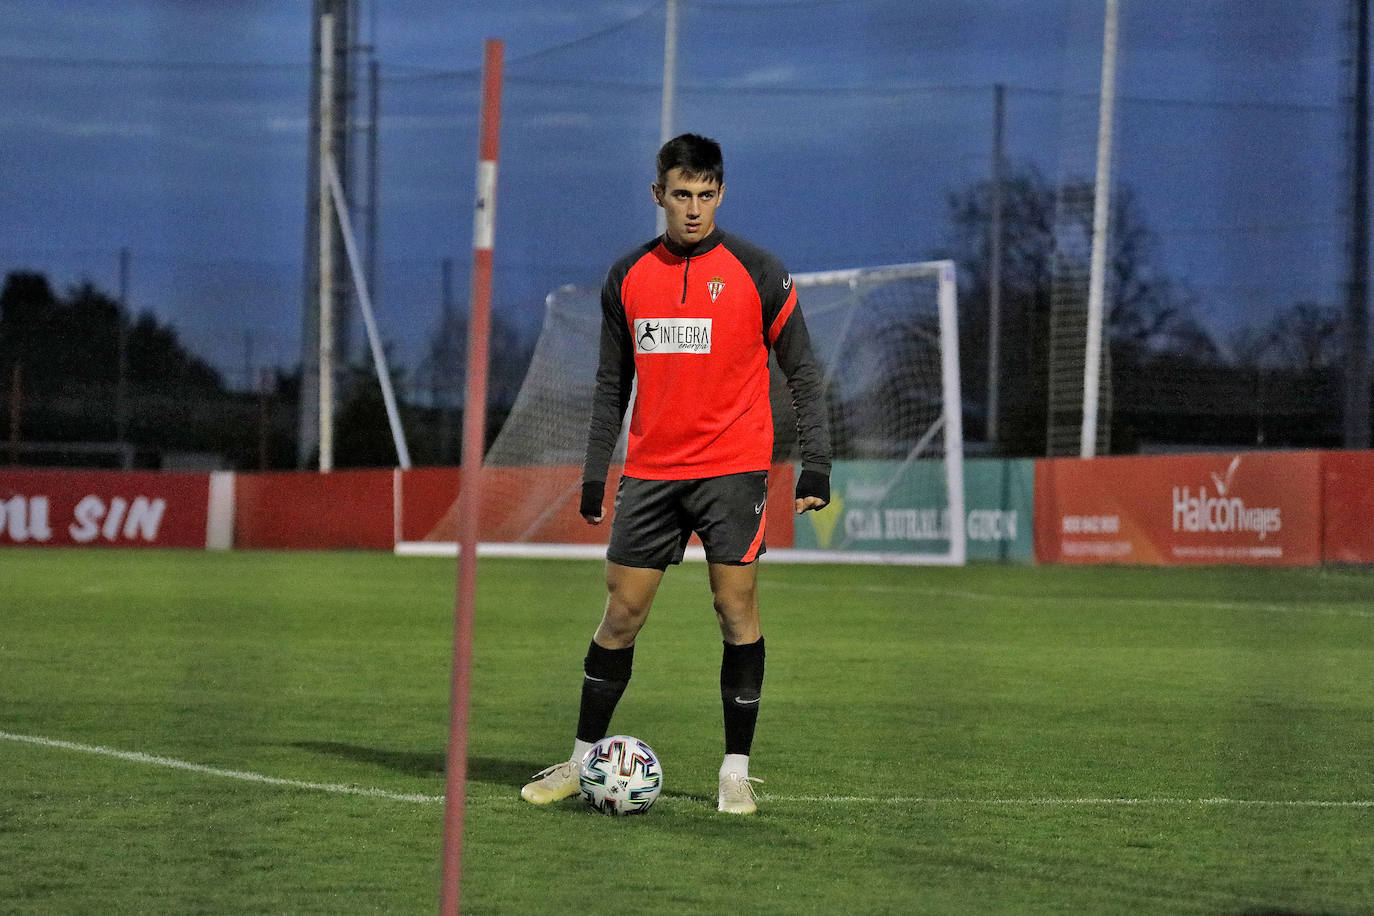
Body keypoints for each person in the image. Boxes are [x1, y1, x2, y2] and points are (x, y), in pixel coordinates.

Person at [520, 133, 831, 815]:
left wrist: (818, 462)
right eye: (680, 194)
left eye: (705, 194)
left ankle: (734, 772)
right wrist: (597, 473)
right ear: (658, 194)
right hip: (653, 474)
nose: (693, 208)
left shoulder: (759, 271)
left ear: (721, 193)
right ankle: (579, 762)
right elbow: (611, 384)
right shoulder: (627, 277)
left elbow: (802, 370)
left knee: (734, 609)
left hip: (733, 470)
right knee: (621, 614)